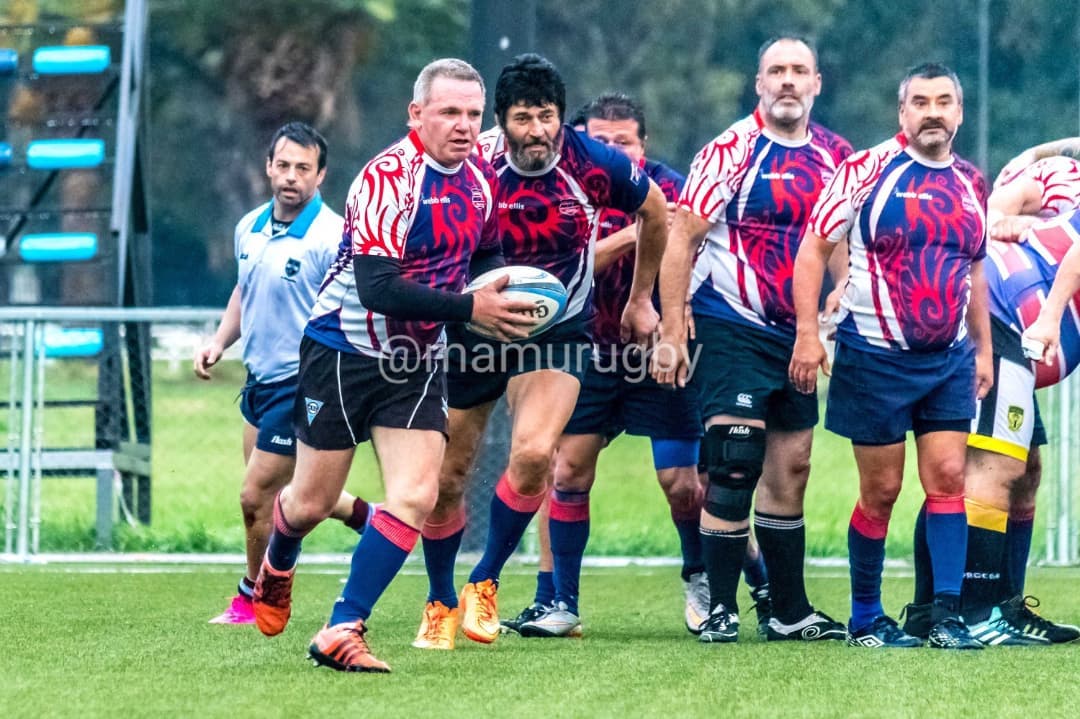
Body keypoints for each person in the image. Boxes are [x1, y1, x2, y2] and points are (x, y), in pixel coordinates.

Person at [250, 58, 539, 673]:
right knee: (308, 501)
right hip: (341, 351)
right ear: (417, 114)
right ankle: (279, 556)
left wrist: (509, 297)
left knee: (415, 494)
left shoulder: (481, 180)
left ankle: (342, 627)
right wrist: (471, 308)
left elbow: (485, 255)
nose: (463, 126)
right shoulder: (387, 178)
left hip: (416, 360)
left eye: (471, 114)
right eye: (448, 113)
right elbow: (379, 288)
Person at [412, 54, 668, 650]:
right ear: (500, 121)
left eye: (547, 116)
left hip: (557, 330)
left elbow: (655, 211)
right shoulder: (472, 163)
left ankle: (485, 581)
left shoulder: (593, 163)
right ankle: (439, 599)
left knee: (533, 456)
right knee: (445, 479)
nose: (537, 131)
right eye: (523, 118)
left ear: (561, 117)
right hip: (475, 327)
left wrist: (639, 299)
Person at [498, 92, 770, 639]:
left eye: (623, 141)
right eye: (600, 139)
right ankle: (559, 602)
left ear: (642, 146)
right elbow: (564, 271)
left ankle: (724, 580)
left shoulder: (671, 189)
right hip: (587, 349)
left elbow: (690, 254)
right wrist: (636, 232)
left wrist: (674, 320)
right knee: (568, 470)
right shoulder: (566, 185)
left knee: (684, 483)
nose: (611, 148)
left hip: (657, 353)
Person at [650, 36, 851, 644]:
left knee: (792, 469)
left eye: (798, 72)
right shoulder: (730, 150)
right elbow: (681, 238)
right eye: (776, 72)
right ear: (758, 83)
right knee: (734, 467)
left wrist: (840, 294)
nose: (787, 81)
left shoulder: (837, 156)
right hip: (731, 324)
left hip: (800, 335)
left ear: (817, 83)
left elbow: (840, 239)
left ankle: (788, 612)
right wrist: (671, 327)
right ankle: (720, 608)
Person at [789, 62, 991, 650]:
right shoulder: (864, 169)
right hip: (874, 357)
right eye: (920, 102)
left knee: (950, 480)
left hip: (949, 358)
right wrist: (808, 332)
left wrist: (980, 349)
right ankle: (866, 618)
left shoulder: (971, 183)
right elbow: (813, 251)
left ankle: (945, 615)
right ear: (902, 112)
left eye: (944, 102)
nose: (933, 112)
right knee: (882, 491)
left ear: (958, 112)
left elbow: (975, 268)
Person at [194, 122, 374, 626]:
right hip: (260, 382)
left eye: (303, 168)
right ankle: (371, 518)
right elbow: (242, 291)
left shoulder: (332, 236)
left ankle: (254, 597)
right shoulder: (248, 226)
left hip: (305, 384)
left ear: (321, 175)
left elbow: (350, 310)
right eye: (283, 165)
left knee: (255, 498)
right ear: (268, 167)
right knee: (283, 496)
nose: (291, 176)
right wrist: (218, 341)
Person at [900, 158, 1080, 645]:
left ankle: (997, 607)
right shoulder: (1057, 175)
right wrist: (1050, 316)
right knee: (990, 469)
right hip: (1005, 317)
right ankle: (973, 613)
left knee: (1025, 472)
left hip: (1014, 326)